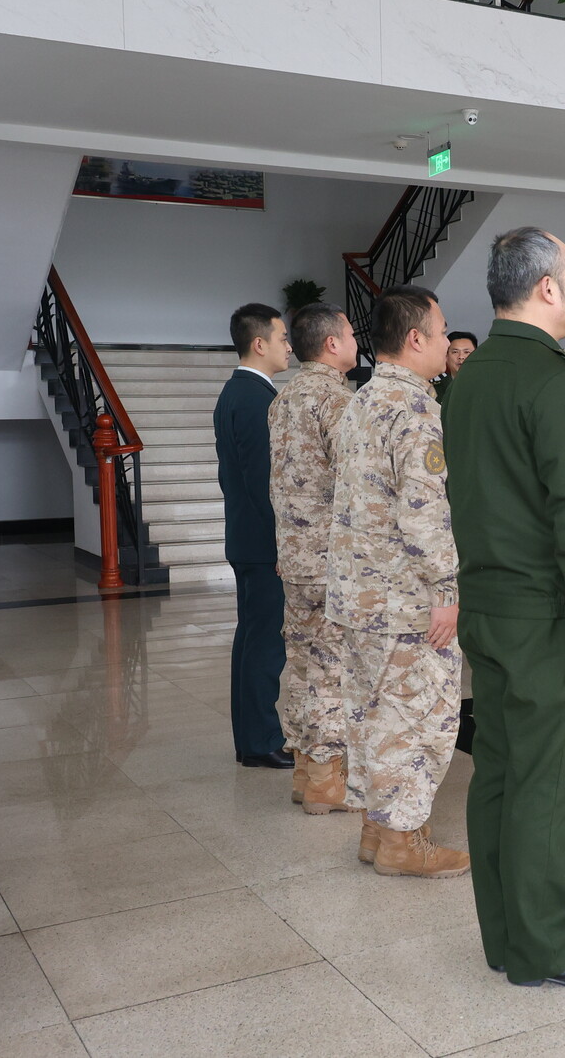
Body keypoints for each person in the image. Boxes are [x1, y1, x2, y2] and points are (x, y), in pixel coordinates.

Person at [445, 227, 565, 988]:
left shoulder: (472, 374)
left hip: (483, 605)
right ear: (547, 288)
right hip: (540, 616)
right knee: (545, 783)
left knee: (497, 771)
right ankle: (546, 944)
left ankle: (505, 938)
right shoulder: (556, 379)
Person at [326, 285, 470, 877]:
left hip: (356, 595)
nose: (444, 344)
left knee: (368, 712)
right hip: (404, 601)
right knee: (421, 719)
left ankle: (376, 830)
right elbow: (423, 512)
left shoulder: (358, 399)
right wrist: (446, 591)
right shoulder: (413, 409)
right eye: (440, 334)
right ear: (415, 339)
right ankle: (403, 841)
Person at [269, 301, 360, 813]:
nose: (353, 340)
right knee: (332, 668)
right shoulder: (336, 401)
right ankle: (327, 780)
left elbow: (281, 481)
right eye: (348, 333)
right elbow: (354, 486)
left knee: (303, 665)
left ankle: (305, 771)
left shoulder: (283, 399)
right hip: (332, 560)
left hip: (296, 555)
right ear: (331, 344)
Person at [214, 303, 293, 771]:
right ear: (259, 343)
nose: (289, 347)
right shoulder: (257, 399)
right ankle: (261, 739)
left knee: (251, 639)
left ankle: (251, 738)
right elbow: (265, 482)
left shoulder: (234, 392)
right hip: (263, 545)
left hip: (245, 536)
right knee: (265, 643)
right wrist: (282, 543)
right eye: (282, 338)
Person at [434, 330, 476, 405]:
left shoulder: (486, 385)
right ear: (446, 356)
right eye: (455, 352)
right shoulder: (433, 387)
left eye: (466, 352)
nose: (461, 357)